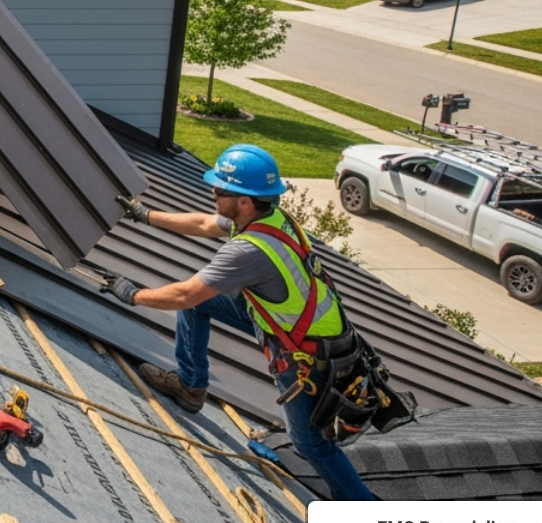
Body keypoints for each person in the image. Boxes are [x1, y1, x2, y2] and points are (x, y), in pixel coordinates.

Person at [105, 144, 376, 501]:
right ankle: (191, 386)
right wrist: (146, 214)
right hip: (295, 324)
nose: (212, 195)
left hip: (306, 353)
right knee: (202, 307)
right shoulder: (273, 218)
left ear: (245, 201)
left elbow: (186, 293)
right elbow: (204, 223)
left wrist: (132, 294)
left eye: (218, 191)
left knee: (310, 444)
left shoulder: (249, 250)